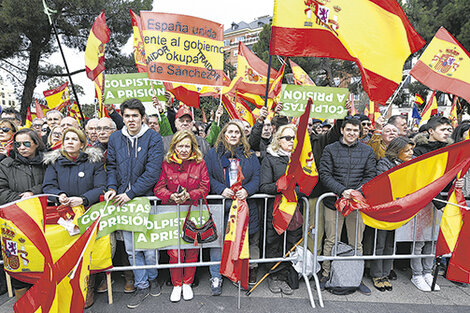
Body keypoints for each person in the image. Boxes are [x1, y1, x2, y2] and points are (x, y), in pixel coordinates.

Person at [104, 98, 164, 309]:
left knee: (149, 247)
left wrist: (130, 193)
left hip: (145, 200)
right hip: (123, 202)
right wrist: (112, 187)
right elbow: (110, 166)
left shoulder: (154, 138)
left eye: (134, 116)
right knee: (131, 249)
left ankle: (153, 277)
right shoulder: (114, 139)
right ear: (122, 116)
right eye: (127, 116)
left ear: (142, 118)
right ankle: (141, 285)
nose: (131, 120)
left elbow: (153, 172)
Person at [42, 127, 106, 308]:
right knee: (66, 250)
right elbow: (48, 186)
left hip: (87, 213)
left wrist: (84, 199)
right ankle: (64, 287)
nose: (70, 142)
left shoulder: (94, 162)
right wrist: (58, 194)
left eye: (74, 139)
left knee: (88, 251)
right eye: (66, 139)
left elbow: (101, 186)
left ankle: (88, 287)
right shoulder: (55, 163)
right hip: (64, 216)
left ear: (82, 144)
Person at [319, 117, 376, 294]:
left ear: (360, 133)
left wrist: (354, 193)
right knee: (331, 240)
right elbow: (325, 174)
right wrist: (343, 190)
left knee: (356, 242)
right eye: (349, 130)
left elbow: (370, 175)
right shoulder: (330, 149)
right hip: (333, 202)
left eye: (356, 130)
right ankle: (326, 275)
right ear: (342, 130)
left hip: (357, 204)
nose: (352, 133)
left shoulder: (367, 151)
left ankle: (355, 277)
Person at [204, 121, 260, 295]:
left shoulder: (250, 155)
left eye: (237, 132)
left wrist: (247, 190)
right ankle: (216, 277)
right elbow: (206, 176)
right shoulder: (213, 154)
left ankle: (235, 275)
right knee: (217, 243)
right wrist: (221, 189)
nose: (234, 135)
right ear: (223, 134)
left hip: (243, 207)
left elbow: (257, 177)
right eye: (230, 131)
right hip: (221, 207)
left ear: (242, 135)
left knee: (240, 242)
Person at [154, 130, 210, 302]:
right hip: (171, 213)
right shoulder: (166, 164)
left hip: (192, 211)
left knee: (191, 249)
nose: (184, 149)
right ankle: (177, 284)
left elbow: (205, 187)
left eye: (187, 146)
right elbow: (158, 188)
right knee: (174, 252)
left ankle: (187, 283)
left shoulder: (200, 163)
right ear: (174, 147)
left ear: (193, 147)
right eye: (180, 146)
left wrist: (190, 195)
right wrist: (170, 196)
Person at [0, 128, 47, 299]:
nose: (21, 147)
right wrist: (22, 200)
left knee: (41, 259)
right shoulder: (5, 165)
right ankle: (24, 301)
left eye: (26, 143)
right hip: (16, 219)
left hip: (43, 219)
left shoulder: (48, 162)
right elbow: (1, 192)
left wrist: (33, 192)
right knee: (20, 261)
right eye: (17, 144)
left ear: (36, 143)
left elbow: (51, 184)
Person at [409, 116, 453, 292]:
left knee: (433, 240)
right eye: (443, 129)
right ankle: (417, 274)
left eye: (449, 130)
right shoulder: (419, 150)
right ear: (431, 131)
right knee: (418, 240)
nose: (447, 133)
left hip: (442, 200)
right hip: (424, 200)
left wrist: (455, 183)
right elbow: (418, 176)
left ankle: (428, 272)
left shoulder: (451, 149)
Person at [259, 124, 301, 295]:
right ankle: (274, 276)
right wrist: (281, 186)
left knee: (292, 243)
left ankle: (287, 276)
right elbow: (264, 186)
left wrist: (293, 190)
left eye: (294, 137)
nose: (291, 141)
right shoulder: (270, 158)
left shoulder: (301, 158)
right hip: (276, 212)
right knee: (274, 243)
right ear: (278, 140)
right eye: (287, 138)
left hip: (296, 211)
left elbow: (307, 186)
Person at [371, 136, 414, 292]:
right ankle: (376, 274)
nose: (411, 153)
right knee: (380, 242)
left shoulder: (411, 164)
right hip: (385, 209)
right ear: (397, 152)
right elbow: (383, 184)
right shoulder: (384, 164)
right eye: (407, 150)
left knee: (391, 243)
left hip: (399, 210)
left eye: (411, 150)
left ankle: (386, 272)